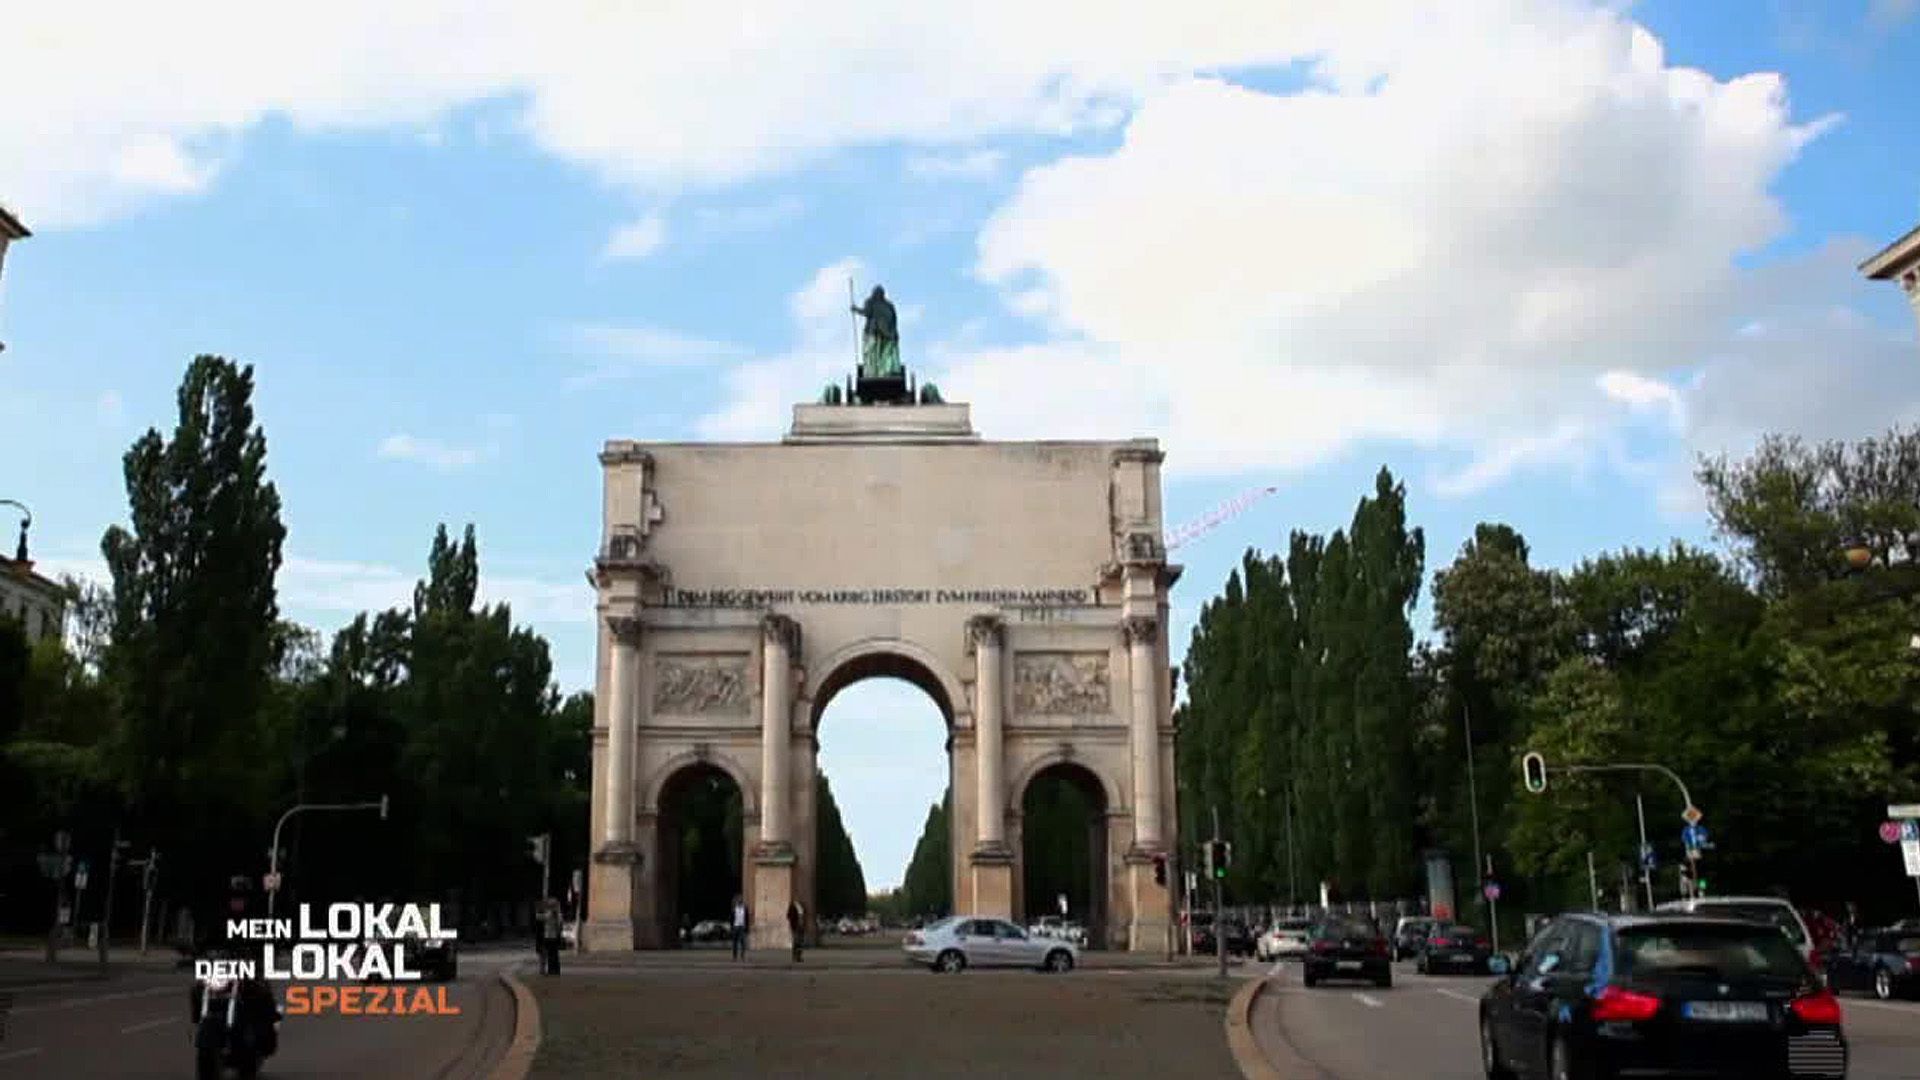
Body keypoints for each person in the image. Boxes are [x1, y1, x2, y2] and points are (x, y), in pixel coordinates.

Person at [537, 898, 564, 975]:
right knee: (555, 954)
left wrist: (540, 909)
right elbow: (560, 925)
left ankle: (551, 970)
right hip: (555, 936)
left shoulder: (549, 914)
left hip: (548, 936)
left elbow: (539, 917)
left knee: (550, 955)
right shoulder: (558, 914)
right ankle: (556, 970)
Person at [730, 894, 749, 960]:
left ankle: (742, 956)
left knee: (743, 943)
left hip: (742, 927)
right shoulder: (734, 909)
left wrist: (747, 928)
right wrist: (731, 928)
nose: (740, 900)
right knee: (735, 943)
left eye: (741, 899)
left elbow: (747, 918)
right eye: (738, 899)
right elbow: (731, 919)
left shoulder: (745, 909)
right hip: (735, 926)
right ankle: (734, 956)